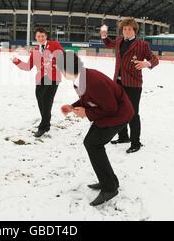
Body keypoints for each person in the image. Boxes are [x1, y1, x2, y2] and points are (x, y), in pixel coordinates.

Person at [57, 52, 134, 206]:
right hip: (109, 113)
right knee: (91, 143)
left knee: (93, 144)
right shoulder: (80, 78)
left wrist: (87, 112)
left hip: (119, 115)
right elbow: (88, 98)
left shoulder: (93, 81)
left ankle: (110, 188)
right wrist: (73, 106)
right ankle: (110, 181)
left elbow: (111, 108)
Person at [101, 18, 159, 153]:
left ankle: (135, 142)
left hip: (133, 84)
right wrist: (104, 35)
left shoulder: (141, 44)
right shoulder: (119, 41)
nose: (126, 31)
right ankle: (123, 137)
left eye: (129, 29)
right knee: (119, 111)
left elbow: (154, 59)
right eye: (124, 29)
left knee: (133, 113)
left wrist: (147, 63)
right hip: (118, 82)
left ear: (134, 30)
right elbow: (109, 43)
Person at [12, 27, 64, 137]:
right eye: (38, 36)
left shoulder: (54, 44)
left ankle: (43, 127)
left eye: (43, 36)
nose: (40, 38)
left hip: (53, 77)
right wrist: (16, 61)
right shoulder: (35, 51)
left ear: (46, 36)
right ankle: (46, 122)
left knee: (46, 99)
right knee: (41, 100)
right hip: (40, 78)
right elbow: (27, 67)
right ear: (35, 37)